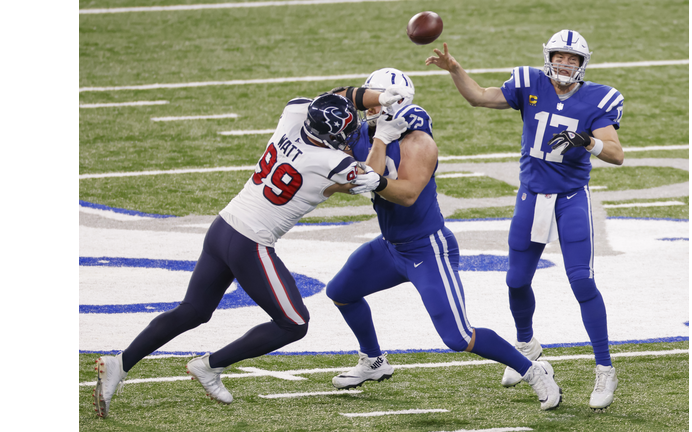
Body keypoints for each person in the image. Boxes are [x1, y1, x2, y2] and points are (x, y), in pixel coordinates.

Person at [92, 86, 413, 418]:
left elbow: (335, 96)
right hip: (250, 243)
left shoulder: (295, 113)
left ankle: (121, 363)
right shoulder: (333, 161)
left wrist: (378, 97)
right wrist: (383, 137)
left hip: (224, 226)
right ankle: (210, 365)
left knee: (193, 310)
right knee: (294, 323)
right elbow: (369, 180)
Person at [325, 68, 562, 411]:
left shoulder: (419, 142)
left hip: (426, 248)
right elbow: (340, 180)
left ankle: (534, 370)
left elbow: (406, 195)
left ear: (399, 105)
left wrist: (369, 177)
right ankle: (374, 361)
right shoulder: (365, 134)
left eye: (381, 99)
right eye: (371, 97)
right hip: (390, 246)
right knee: (341, 293)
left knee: (458, 337)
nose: (372, 105)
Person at [425, 29, 624, 410]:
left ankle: (604, 367)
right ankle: (527, 346)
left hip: (569, 200)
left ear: (583, 63)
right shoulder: (529, 83)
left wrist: (587, 141)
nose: (565, 64)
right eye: (560, 56)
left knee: (582, 281)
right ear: (548, 57)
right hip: (532, 196)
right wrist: (454, 69)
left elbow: (616, 154)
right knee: (516, 281)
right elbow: (480, 97)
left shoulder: (598, 98)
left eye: (573, 58)